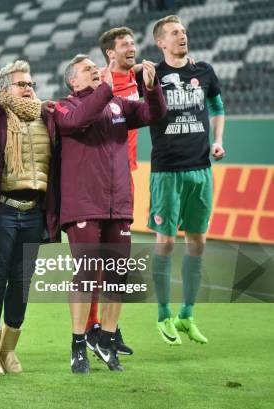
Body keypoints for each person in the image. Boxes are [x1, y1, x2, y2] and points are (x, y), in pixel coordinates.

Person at [55, 54, 166, 374]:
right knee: (86, 275)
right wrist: (104, 89)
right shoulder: (63, 107)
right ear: (72, 81)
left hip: (118, 205)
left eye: (96, 68)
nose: (95, 72)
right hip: (83, 205)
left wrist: (151, 87)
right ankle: (78, 344)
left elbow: (154, 114)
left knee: (117, 277)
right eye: (87, 70)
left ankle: (105, 338)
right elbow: (77, 122)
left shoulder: (118, 104)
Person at [145, 15, 225, 346]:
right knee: (165, 242)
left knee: (198, 241)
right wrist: (140, 70)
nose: (183, 36)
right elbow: (123, 75)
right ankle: (163, 314)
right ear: (160, 42)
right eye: (175, 33)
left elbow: (217, 107)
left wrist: (218, 140)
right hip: (166, 172)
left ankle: (187, 314)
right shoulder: (152, 75)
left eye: (184, 32)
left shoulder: (203, 71)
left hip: (200, 169)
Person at [0, 60, 59, 375]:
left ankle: (8, 349)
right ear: (5, 89)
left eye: (31, 84)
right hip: (4, 209)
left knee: (22, 283)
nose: (29, 89)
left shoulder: (47, 117)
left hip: (35, 212)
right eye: (21, 84)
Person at [76, 26, 143, 356]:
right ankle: (92, 328)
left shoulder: (137, 78)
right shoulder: (102, 84)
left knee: (117, 263)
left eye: (133, 42)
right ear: (109, 53)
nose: (132, 47)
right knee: (97, 264)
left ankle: (109, 330)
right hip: (100, 179)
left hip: (125, 176)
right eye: (125, 44)